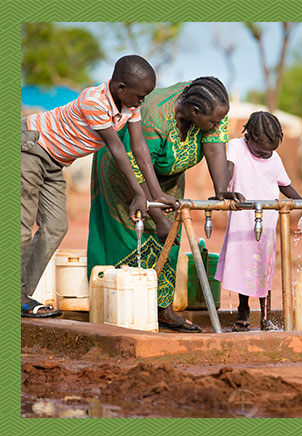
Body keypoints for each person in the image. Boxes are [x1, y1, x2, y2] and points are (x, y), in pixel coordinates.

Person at [21, 55, 177, 319]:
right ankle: (19, 298)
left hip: (56, 162)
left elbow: (139, 148)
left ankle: (21, 295)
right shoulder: (93, 101)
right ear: (120, 89)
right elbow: (117, 148)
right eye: (140, 96)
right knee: (21, 228)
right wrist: (139, 194)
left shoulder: (129, 105)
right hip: (32, 148)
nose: (143, 101)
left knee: (56, 227)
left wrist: (157, 194)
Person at [87, 77, 240, 332]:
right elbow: (136, 163)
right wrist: (157, 217)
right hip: (125, 173)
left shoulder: (213, 107)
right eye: (212, 121)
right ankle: (121, 310)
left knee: (170, 238)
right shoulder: (154, 115)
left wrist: (221, 190)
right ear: (194, 112)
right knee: (128, 236)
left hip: (168, 180)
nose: (217, 124)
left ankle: (163, 310)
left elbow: (214, 147)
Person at [215, 111, 302, 332]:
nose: (267, 154)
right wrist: (223, 190)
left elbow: (283, 184)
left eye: (271, 150)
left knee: (263, 269)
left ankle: (265, 318)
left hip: (267, 221)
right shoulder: (237, 147)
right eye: (262, 150)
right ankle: (242, 312)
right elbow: (228, 168)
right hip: (242, 219)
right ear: (249, 137)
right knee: (242, 266)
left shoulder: (273, 158)